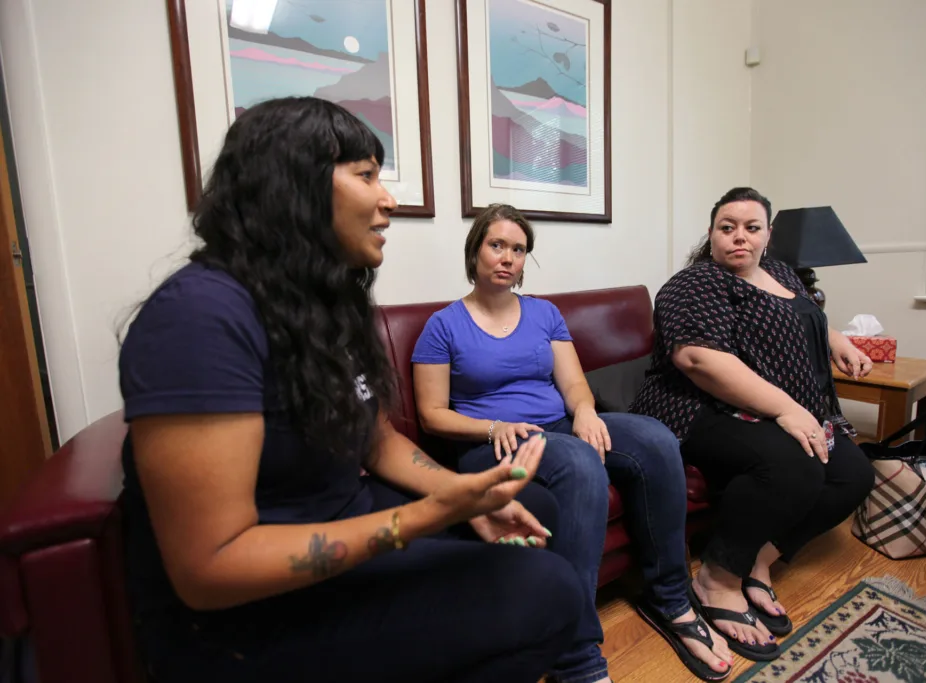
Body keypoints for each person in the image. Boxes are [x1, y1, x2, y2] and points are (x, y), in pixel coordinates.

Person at [118, 98, 586, 683]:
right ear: (294, 186)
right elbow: (210, 568)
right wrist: (423, 517)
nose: (388, 200)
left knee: (530, 509)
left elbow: (375, 438)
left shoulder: (321, 301)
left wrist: (464, 493)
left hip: (339, 520)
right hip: (249, 616)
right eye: (366, 175)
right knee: (550, 593)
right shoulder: (200, 316)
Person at [411, 204, 734, 683]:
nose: (507, 258)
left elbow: (574, 383)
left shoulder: (544, 313)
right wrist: (493, 428)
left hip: (557, 425)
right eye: (496, 245)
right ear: (474, 250)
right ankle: (574, 650)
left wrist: (584, 412)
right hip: (492, 443)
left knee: (657, 438)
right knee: (583, 464)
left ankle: (671, 598)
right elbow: (432, 415)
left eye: (518, 249)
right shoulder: (444, 325)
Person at [630, 187, 875, 660]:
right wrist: (785, 409)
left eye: (751, 227)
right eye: (727, 227)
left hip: (782, 403)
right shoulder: (695, 283)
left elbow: (805, 313)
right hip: (696, 406)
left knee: (853, 473)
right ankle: (716, 580)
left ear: (767, 235)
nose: (739, 237)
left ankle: (756, 560)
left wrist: (837, 339)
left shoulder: (781, 272)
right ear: (711, 233)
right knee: (794, 465)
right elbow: (697, 358)